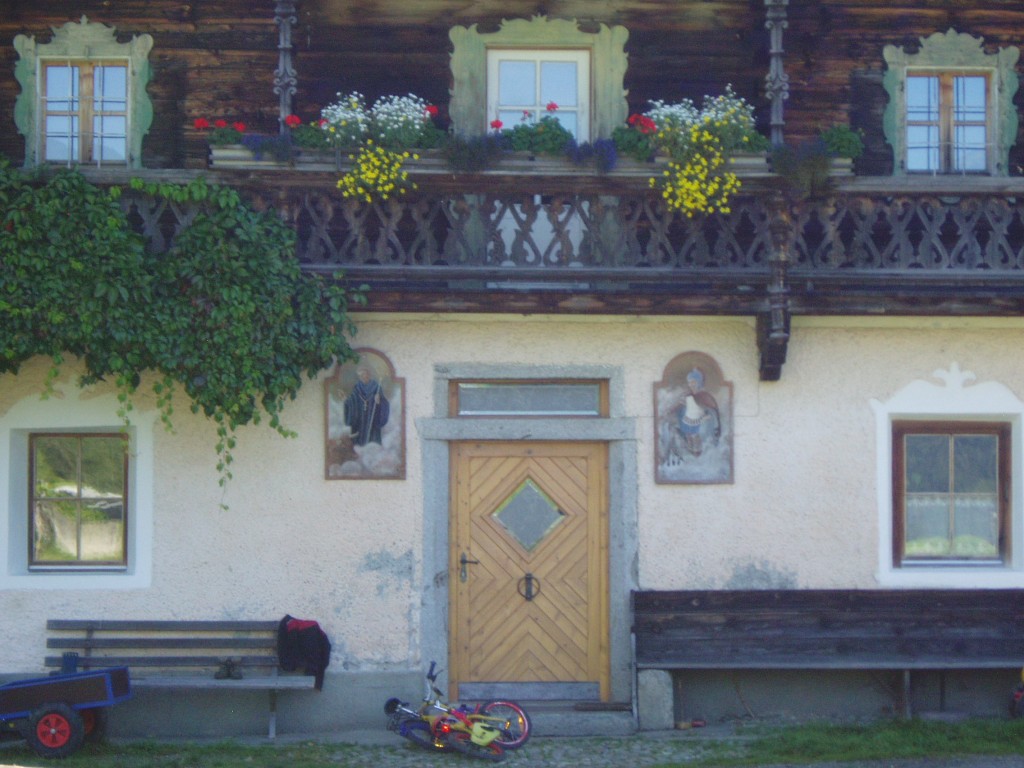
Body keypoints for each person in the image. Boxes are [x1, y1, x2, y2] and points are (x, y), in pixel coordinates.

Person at [674, 367, 720, 457]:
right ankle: (690, 452)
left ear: (699, 382)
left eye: (693, 382)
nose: (691, 384)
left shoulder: (705, 396)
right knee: (689, 436)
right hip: (688, 420)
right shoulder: (686, 395)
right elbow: (679, 405)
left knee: (696, 436)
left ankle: (698, 453)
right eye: (690, 382)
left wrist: (709, 416)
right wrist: (670, 411)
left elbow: (712, 409)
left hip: (700, 421)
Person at [343, 365, 390, 446]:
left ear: (369, 375)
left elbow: (384, 402)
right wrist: (347, 400)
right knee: (358, 438)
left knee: (372, 437)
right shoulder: (357, 387)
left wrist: (379, 401)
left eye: (364, 375)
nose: (362, 377)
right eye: (360, 375)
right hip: (360, 417)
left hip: (372, 417)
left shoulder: (376, 387)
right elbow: (353, 399)